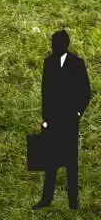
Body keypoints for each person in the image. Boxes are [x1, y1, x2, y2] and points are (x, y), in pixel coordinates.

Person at [39, 28, 91, 210]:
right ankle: (46, 199)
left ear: (64, 45)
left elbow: (85, 92)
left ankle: (73, 202)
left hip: (69, 120)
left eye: (56, 45)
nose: (53, 48)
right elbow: (45, 93)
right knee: (50, 161)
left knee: (70, 162)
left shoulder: (77, 64)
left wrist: (77, 113)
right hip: (52, 120)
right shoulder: (49, 63)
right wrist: (45, 118)